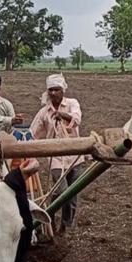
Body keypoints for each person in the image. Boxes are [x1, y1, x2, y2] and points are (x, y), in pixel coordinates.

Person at [30, 74, 84, 234]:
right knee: (62, 191)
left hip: (75, 157)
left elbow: (77, 119)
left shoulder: (72, 104)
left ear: (63, 90)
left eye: (57, 90)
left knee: (72, 194)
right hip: (56, 159)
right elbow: (33, 133)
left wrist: (64, 116)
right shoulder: (44, 112)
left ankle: (65, 226)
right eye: (51, 90)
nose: (53, 93)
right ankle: (50, 217)